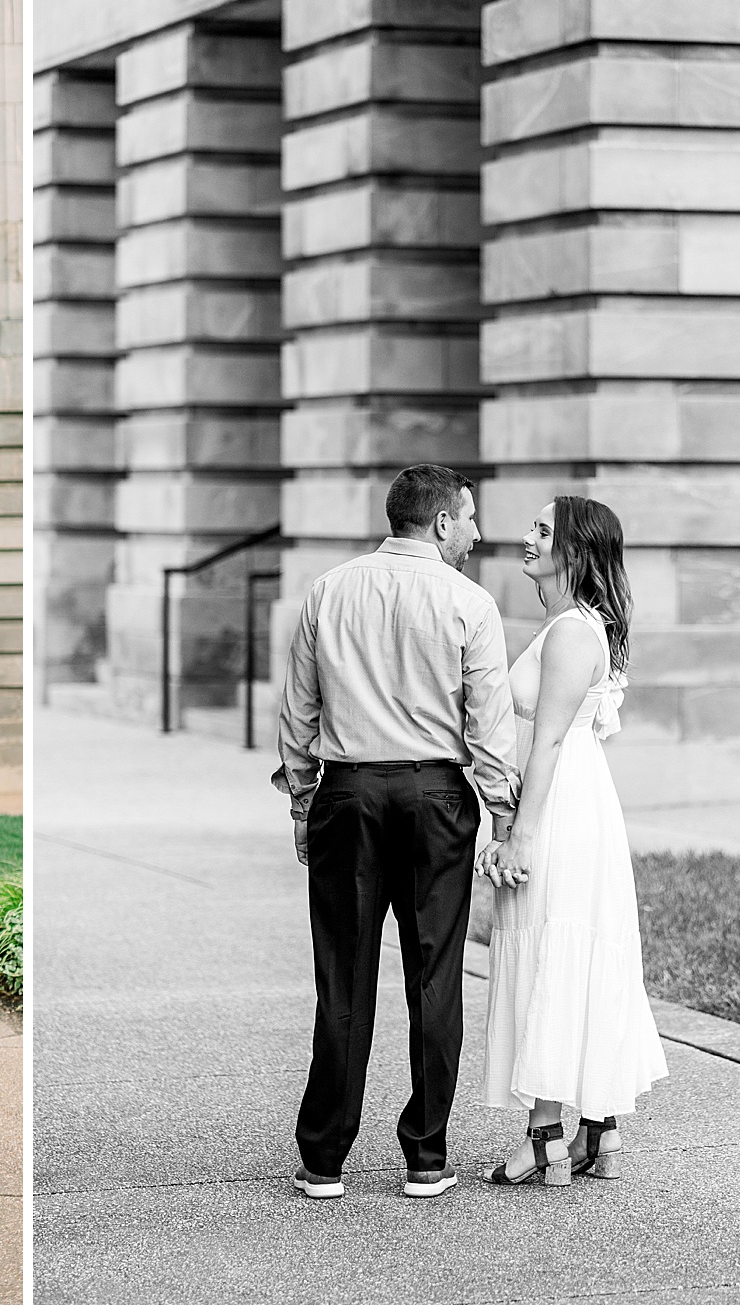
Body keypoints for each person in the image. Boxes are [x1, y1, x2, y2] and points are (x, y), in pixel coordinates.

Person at [274, 464, 520, 1201]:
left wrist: (300, 803)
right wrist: (502, 813)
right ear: (441, 522)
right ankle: (426, 1157)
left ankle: (323, 1160)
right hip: (436, 796)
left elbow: (299, 711)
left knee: (342, 977)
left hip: (347, 796)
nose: (476, 533)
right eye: (469, 518)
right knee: (435, 975)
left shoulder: (328, 590)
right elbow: (491, 727)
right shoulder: (471, 603)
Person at [479, 497, 668, 1186]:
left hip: (559, 807)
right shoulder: (578, 625)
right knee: (571, 951)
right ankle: (600, 1131)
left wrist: (519, 835)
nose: (526, 538)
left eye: (542, 531)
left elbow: (552, 738)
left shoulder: (569, 634)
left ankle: (546, 1138)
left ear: (575, 552)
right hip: (577, 797)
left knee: (550, 947)